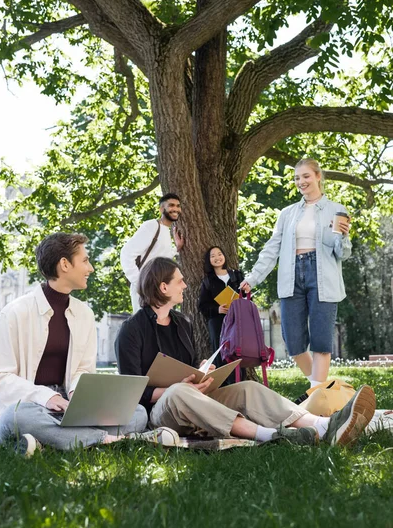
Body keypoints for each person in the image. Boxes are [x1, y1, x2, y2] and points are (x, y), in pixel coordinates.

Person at [115, 257, 375, 447]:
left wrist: (204, 371)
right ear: (163, 288)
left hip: (194, 401)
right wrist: (178, 387)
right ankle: (268, 436)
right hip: (160, 413)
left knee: (248, 388)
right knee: (178, 390)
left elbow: (190, 365)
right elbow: (131, 390)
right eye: (179, 281)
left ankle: (323, 425)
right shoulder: (132, 329)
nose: (184, 285)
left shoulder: (182, 323)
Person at [0, 232, 148, 455]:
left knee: (138, 412)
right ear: (65, 264)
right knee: (15, 417)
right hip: (32, 406)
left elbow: (83, 369)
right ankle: (103, 439)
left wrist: (77, 394)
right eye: (85, 260)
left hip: (70, 406)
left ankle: (50, 441)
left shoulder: (84, 314)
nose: (91, 268)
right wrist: (47, 397)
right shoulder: (16, 312)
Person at [240, 158, 352, 391]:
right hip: (291, 276)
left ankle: (315, 399)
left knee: (321, 342)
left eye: (306, 176)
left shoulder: (336, 209)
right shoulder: (287, 214)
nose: (301, 182)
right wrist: (253, 278)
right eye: (297, 178)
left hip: (323, 277)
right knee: (293, 343)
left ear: (318, 176)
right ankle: (321, 392)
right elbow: (272, 248)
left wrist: (343, 236)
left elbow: (342, 254)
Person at [120, 193, 184, 314]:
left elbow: (160, 258)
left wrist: (177, 248)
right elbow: (126, 253)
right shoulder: (151, 226)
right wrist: (141, 283)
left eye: (178, 206)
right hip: (146, 291)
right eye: (171, 205)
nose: (175, 209)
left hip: (161, 290)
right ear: (161, 209)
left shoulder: (166, 230)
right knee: (145, 329)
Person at [198, 246, 244, 382]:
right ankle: (223, 386)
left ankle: (239, 382)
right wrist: (217, 309)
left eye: (219, 254)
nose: (217, 258)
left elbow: (247, 297)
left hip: (238, 321)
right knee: (220, 354)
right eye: (213, 256)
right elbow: (202, 306)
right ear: (209, 260)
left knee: (239, 352)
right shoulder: (207, 281)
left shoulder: (237, 275)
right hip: (218, 323)